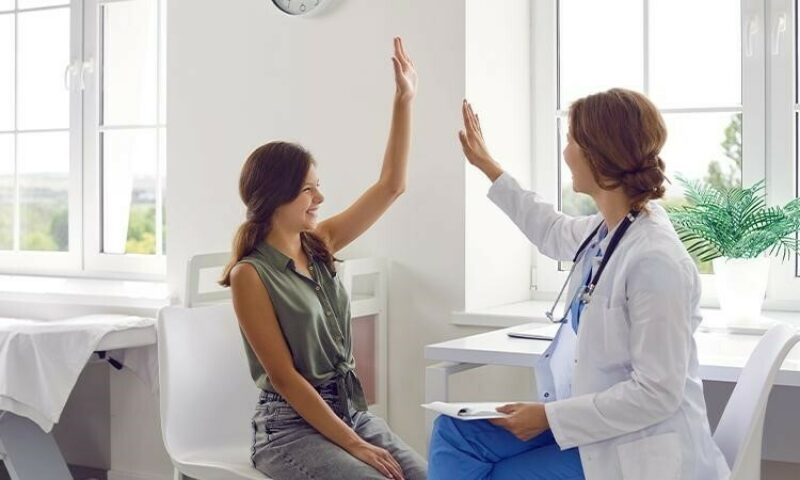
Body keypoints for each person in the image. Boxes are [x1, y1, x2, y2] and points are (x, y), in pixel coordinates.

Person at [428, 89, 731, 480]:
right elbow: (552, 231)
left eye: (571, 140)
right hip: (594, 424)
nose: (566, 152)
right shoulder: (611, 231)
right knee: (454, 433)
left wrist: (550, 417)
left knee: (499, 473)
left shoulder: (656, 261)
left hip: (638, 449)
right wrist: (489, 167)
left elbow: (658, 393)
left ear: (598, 153)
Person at [220, 38, 427, 480]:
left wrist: (404, 100)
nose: (320, 198)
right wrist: (355, 447)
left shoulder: (321, 243)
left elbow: (391, 185)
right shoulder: (250, 276)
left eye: (319, 185)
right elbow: (286, 379)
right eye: (308, 189)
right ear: (276, 195)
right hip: (287, 430)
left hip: (350, 412)